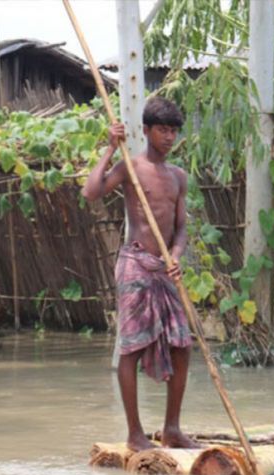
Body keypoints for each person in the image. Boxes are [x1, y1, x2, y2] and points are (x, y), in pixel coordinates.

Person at [82, 96, 198, 451]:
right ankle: (135, 433)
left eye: (174, 131)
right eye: (162, 130)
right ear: (146, 131)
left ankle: (172, 429)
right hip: (134, 264)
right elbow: (91, 193)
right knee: (130, 348)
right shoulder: (130, 168)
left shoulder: (178, 177)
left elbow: (180, 230)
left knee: (183, 345)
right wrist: (109, 149)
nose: (168, 137)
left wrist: (176, 256)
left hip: (163, 269)